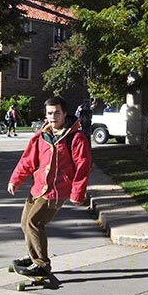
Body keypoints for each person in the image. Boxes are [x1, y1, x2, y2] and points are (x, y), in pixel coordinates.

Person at [7, 96, 91, 277]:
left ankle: (42, 266)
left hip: (57, 190)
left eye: (57, 113)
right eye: (50, 113)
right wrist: (15, 180)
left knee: (34, 222)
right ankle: (33, 256)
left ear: (64, 114)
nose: (53, 117)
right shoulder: (41, 136)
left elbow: (82, 167)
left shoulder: (75, 138)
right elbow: (27, 161)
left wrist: (77, 193)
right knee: (25, 222)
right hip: (38, 187)